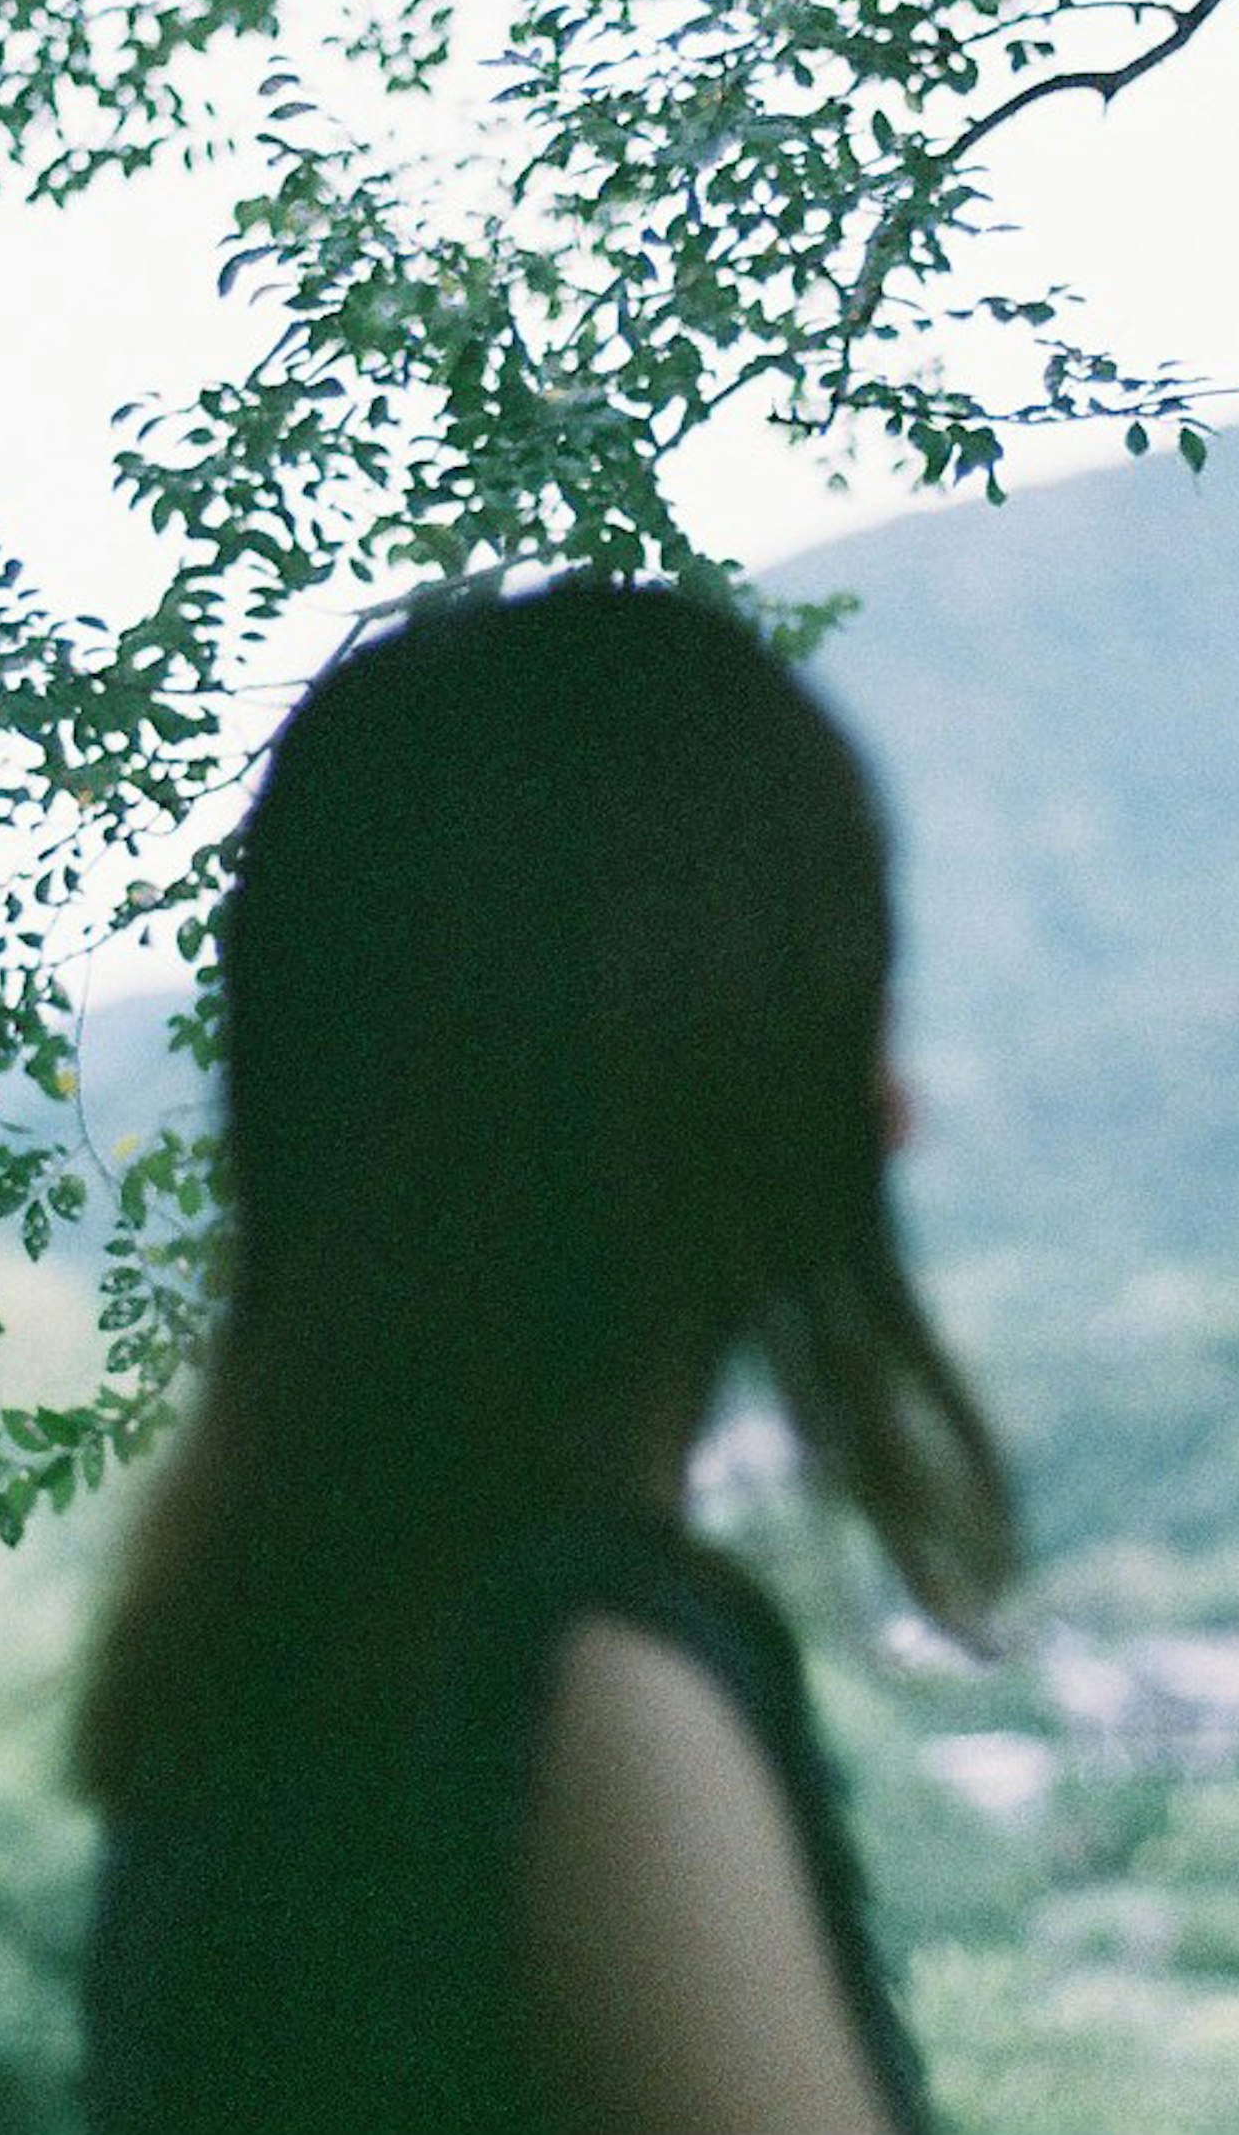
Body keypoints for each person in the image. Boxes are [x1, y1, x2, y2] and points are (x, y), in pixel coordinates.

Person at [72, 575, 1021, 2134]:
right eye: (839, 1010)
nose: (893, 1104)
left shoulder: (264, 1680)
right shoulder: (576, 1698)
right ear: (710, 1084)